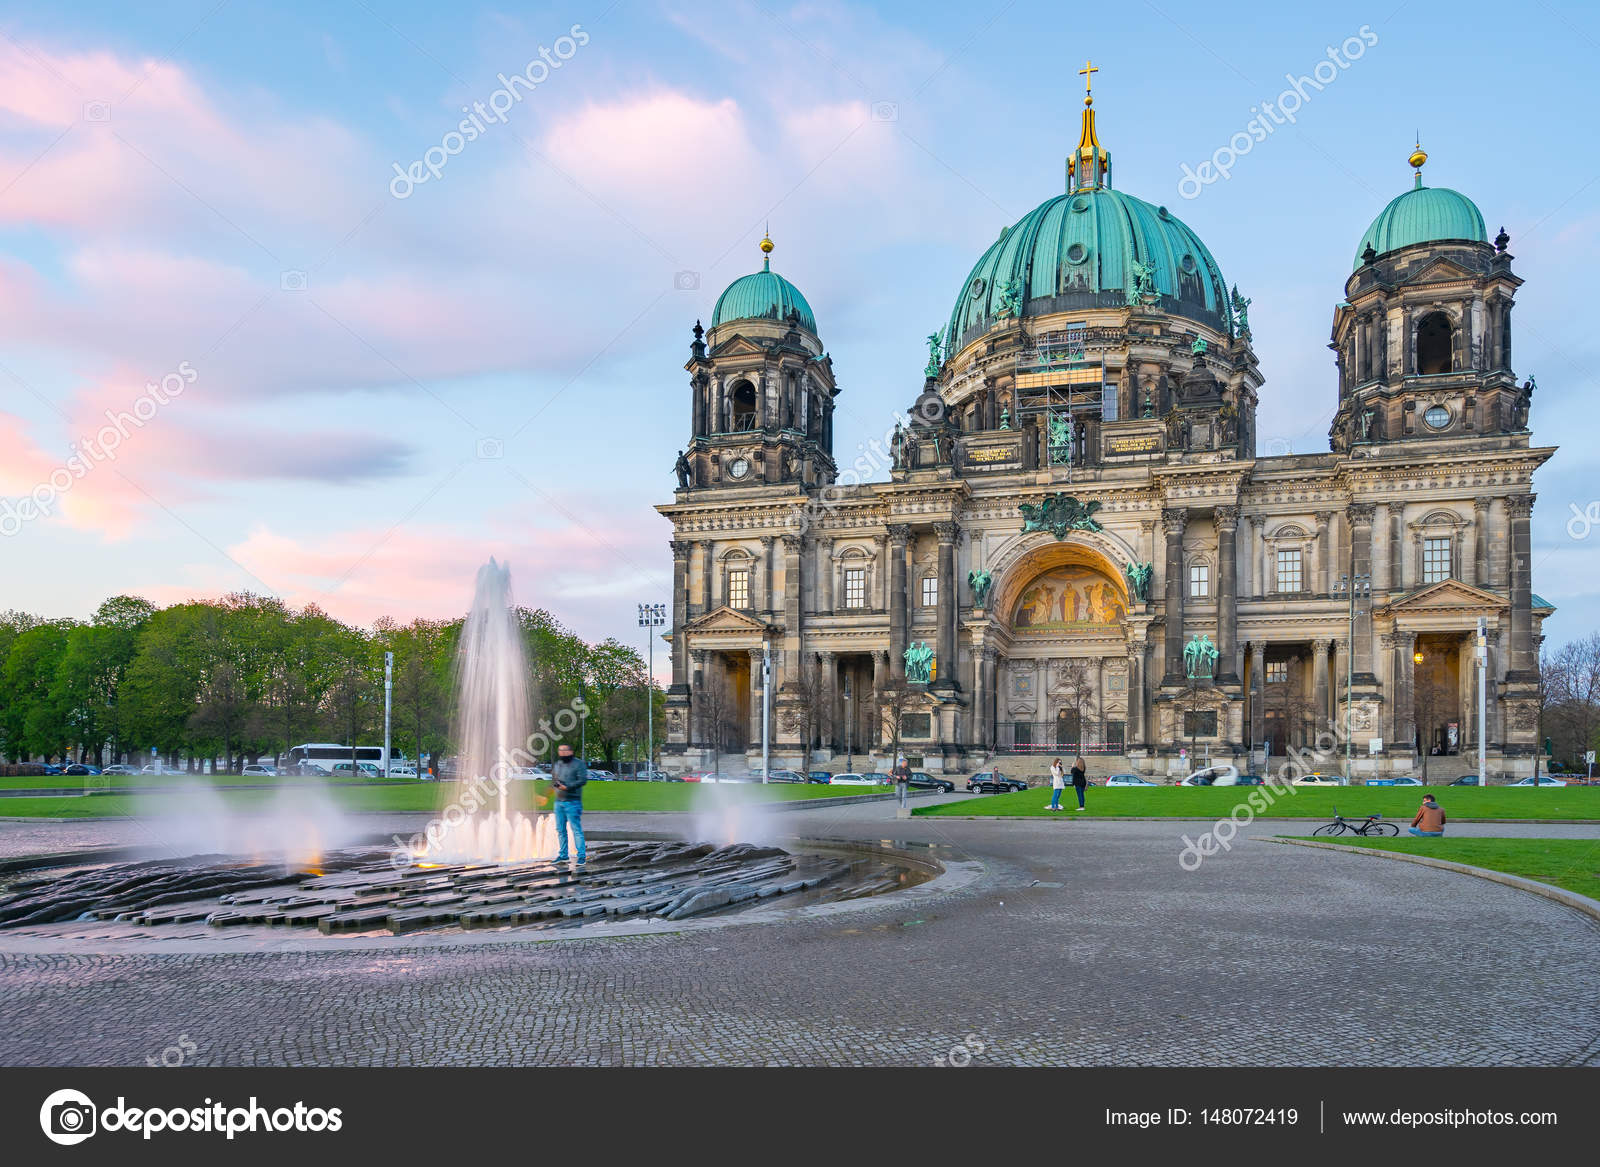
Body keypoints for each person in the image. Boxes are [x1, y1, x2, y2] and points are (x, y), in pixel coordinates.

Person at [550, 743, 589, 863]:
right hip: (559, 802)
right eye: (560, 750)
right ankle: (563, 854)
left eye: (564, 750)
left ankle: (581, 856)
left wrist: (567, 787)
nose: (561, 753)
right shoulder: (558, 764)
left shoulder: (579, 764)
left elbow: (582, 780)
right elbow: (555, 780)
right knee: (560, 830)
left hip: (573, 801)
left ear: (570, 751)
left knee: (576, 829)